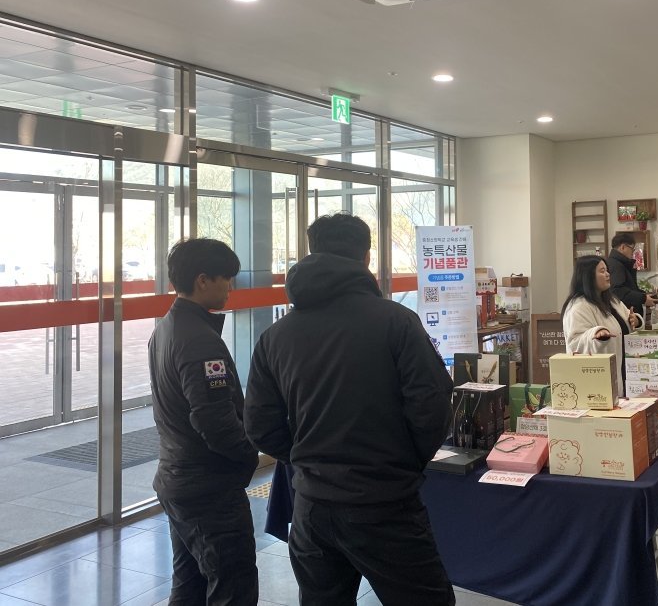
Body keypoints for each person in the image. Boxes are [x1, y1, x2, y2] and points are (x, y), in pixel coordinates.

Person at [244, 213, 455, 606]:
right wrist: (405, 461)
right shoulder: (397, 322)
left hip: (311, 507)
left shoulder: (275, 336)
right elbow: (432, 405)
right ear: (366, 257)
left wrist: (305, 457)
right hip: (384, 504)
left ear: (312, 252)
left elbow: (258, 424)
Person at [148, 238, 259, 605]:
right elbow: (214, 421)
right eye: (226, 278)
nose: (230, 287)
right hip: (208, 490)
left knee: (190, 584)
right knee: (233, 585)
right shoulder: (200, 341)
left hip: (178, 479)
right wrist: (249, 455)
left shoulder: (165, 328)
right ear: (202, 280)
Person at [562, 255, 639, 395]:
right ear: (588, 276)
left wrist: (635, 320)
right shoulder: (579, 307)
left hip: (623, 372)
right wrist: (596, 334)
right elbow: (574, 343)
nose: (608, 274)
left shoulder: (612, 300)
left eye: (607, 270)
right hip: (596, 382)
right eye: (602, 271)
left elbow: (628, 317)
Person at [606, 231, 657, 318]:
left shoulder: (619, 263)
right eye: (632, 248)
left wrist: (643, 295)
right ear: (623, 247)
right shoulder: (616, 265)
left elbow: (629, 288)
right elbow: (617, 291)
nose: (633, 252)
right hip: (624, 315)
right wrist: (643, 298)